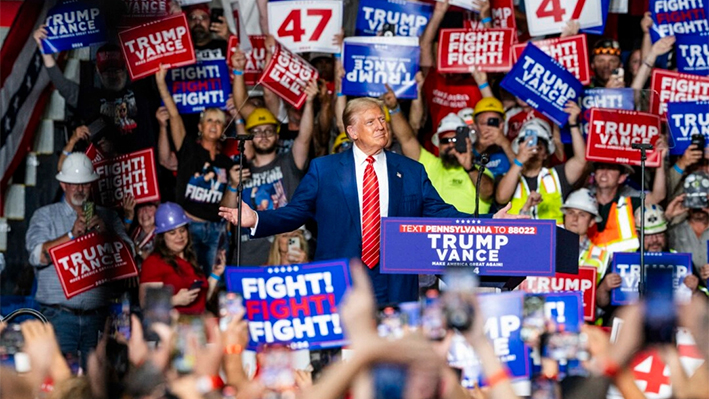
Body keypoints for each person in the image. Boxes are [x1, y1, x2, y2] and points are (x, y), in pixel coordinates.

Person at [219, 98, 522, 304]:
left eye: (382, 119)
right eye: (370, 121)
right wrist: (256, 219)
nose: (380, 125)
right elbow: (296, 213)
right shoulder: (324, 170)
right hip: (342, 281)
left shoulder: (411, 171)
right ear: (351, 131)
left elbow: (442, 214)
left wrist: (489, 221)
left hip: (395, 282)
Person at [25, 153, 131, 364]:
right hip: (59, 317)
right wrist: (71, 235)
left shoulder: (108, 217)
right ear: (63, 184)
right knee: (59, 380)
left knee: (96, 384)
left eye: (84, 184)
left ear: (91, 185)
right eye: (74, 184)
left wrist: (106, 231)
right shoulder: (45, 215)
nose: (80, 189)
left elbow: (130, 256)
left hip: (98, 318)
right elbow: (37, 256)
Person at [221, 82, 316, 266]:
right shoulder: (240, 170)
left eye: (269, 131)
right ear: (249, 136)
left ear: (277, 135)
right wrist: (233, 185)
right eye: (257, 132)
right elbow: (226, 213)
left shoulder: (289, 162)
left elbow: (304, 137)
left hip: (285, 258)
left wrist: (310, 102)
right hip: (248, 258)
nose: (263, 136)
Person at [156, 66, 234, 275]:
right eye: (209, 119)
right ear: (200, 126)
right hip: (190, 228)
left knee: (216, 283)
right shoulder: (189, 148)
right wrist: (162, 85)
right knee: (190, 279)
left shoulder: (227, 163)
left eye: (219, 121)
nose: (214, 125)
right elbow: (174, 116)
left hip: (217, 230)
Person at [383, 86, 494, 215]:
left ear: (468, 142)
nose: (451, 145)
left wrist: (469, 168)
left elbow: (487, 192)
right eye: (445, 141)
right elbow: (407, 139)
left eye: (456, 140)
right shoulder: (430, 165)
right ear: (438, 145)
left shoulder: (480, 171)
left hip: (470, 233)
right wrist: (393, 109)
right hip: (433, 233)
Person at [496, 104, 586, 224]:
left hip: (553, 240)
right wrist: (519, 160)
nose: (534, 149)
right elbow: (501, 197)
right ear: (519, 148)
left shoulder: (557, 176)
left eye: (539, 146)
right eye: (528, 145)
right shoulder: (509, 177)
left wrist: (573, 124)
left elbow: (581, 160)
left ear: (546, 153)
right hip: (519, 241)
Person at [139, 202, 225, 315]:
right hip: (174, 329)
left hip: (197, 326)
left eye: (182, 230)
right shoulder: (154, 262)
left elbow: (202, 300)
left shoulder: (190, 260)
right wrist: (175, 300)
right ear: (162, 237)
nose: (179, 236)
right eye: (172, 233)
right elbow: (145, 303)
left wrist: (215, 274)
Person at [561, 189, 609, 282]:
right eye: (571, 213)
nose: (575, 218)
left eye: (582, 215)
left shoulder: (602, 257)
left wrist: (605, 287)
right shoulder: (548, 249)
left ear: (591, 222)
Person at [468, 98, 515, 179]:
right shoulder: (468, 149)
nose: (489, 128)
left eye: (493, 122)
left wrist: (505, 144)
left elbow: (524, 173)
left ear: (501, 125)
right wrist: (480, 148)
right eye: (483, 123)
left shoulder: (514, 147)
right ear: (475, 126)